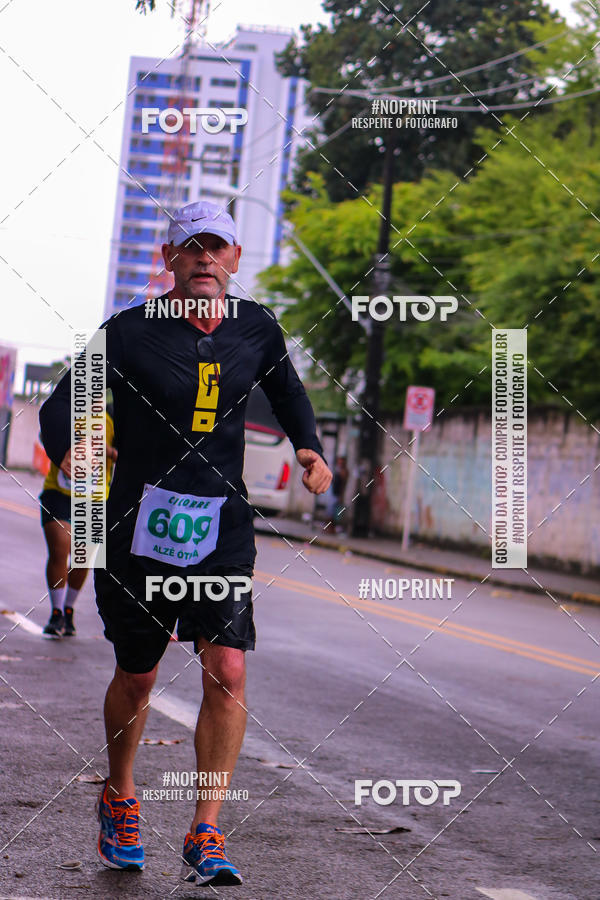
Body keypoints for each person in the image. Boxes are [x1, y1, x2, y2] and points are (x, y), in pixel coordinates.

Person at [39, 200, 332, 886]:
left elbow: (288, 393)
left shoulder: (256, 327)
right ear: (169, 258)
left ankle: (206, 830)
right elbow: (63, 401)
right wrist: (75, 442)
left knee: (227, 670)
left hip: (222, 526)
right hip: (139, 523)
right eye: (191, 246)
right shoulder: (131, 332)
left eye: (218, 247)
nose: (205, 257)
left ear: (234, 259)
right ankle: (119, 795)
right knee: (138, 674)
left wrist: (311, 448)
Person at [39, 407, 116, 637]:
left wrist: (107, 450)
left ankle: (68, 609)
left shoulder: (114, 417)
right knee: (60, 548)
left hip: (94, 498)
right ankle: (56, 614)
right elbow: (45, 436)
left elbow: (129, 453)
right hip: (59, 493)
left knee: (84, 559)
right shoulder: (65, 410)